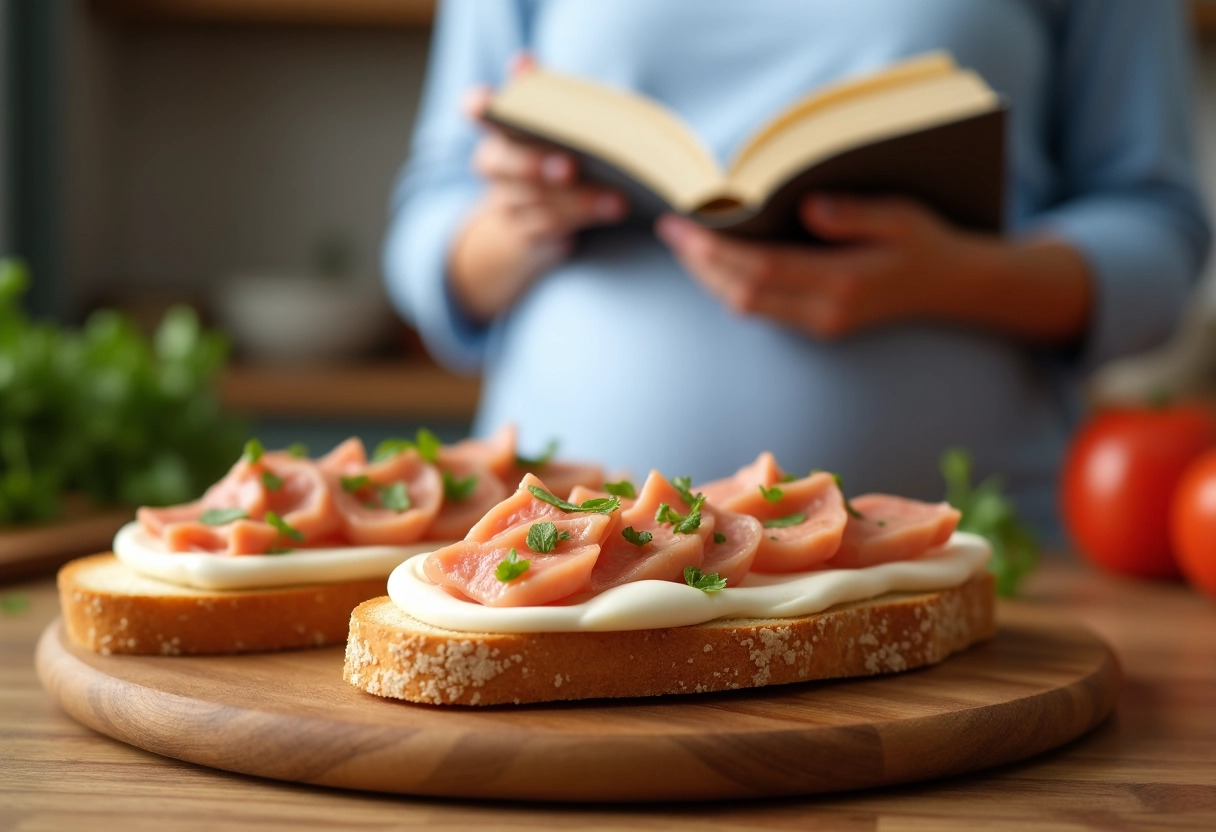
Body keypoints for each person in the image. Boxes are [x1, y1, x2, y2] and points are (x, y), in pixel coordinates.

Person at [383, 1, 1211, 537]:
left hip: (972, 562)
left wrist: (951, 278)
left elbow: (1159, 237)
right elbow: (426, 231)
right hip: (557, 560)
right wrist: (517, 219)